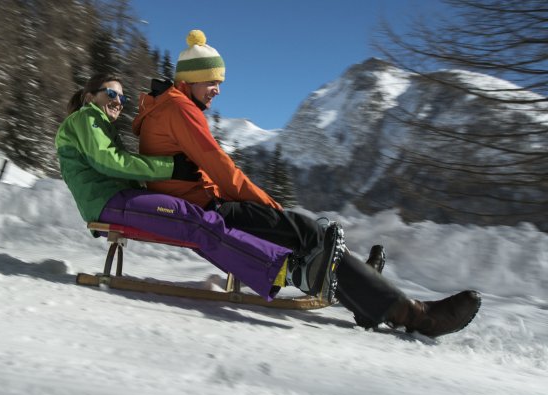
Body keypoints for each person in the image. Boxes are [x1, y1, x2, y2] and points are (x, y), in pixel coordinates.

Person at [131, 30, 481, 337]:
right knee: (309, 232)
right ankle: (414, 315)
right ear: (189, 80)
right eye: (211, 81)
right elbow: (219, 167)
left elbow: (206, 169)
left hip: (200, 201)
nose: (218, 90)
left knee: (309, 234)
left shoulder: (167, 107)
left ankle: (360, 286)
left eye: (219, 81)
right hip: (203, 208)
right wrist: (265, 202)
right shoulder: (180, 110)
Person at [55, 73, 296, 300]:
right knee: (193, 220)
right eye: (111, 94)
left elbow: (113, 165)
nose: (118, 101)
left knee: (195, 222)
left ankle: (257, 270)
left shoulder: (99, 125)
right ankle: (282, 269)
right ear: (89, 97)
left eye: (122, 97)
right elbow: (109, 162)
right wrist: (170, 167)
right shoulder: (86, 117)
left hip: (116, 201)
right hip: (108, 203)